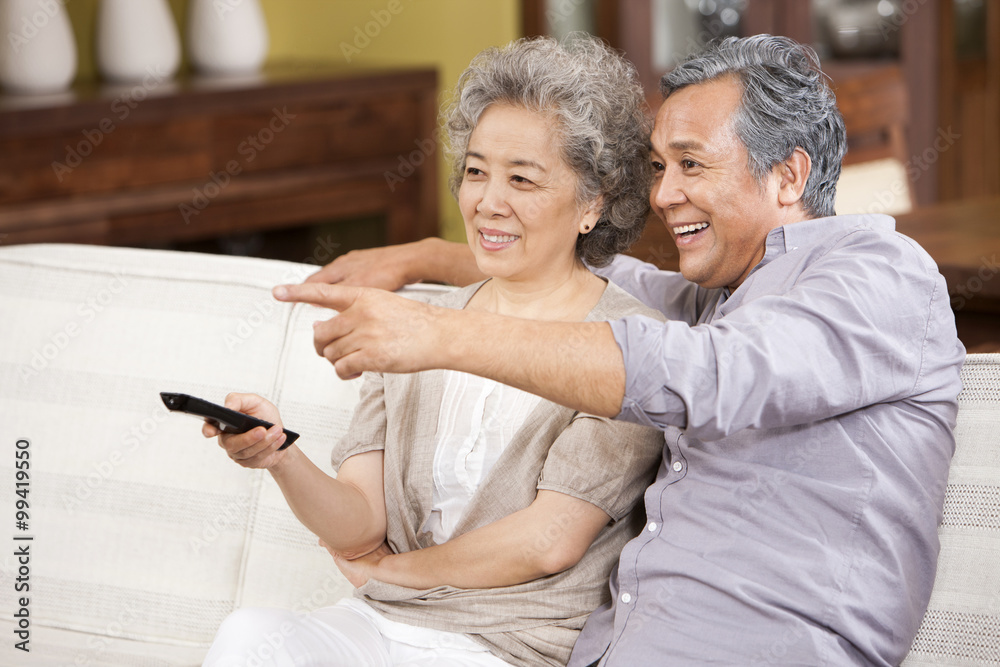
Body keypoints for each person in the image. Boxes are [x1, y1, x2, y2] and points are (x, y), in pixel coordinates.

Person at [276, 34, 967, 665]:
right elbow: (585, 267)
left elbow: (709, 374)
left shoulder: (878, 272)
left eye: (690, 164)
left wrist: (439, 335)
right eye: (661, 166)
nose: (664, 195)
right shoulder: (717, 300)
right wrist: (419, 255)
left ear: (787, 176)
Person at [200, 35, 665, 667]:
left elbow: (549, 541)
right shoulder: (415, 324)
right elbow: (360, 522)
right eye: (476, 171)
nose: (487, 202)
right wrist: (279, 454)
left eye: (522, 179)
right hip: (384, 623)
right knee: (247, 636)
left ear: (592, 204)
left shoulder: (626, 345)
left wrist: (394, 573)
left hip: (510, 641)